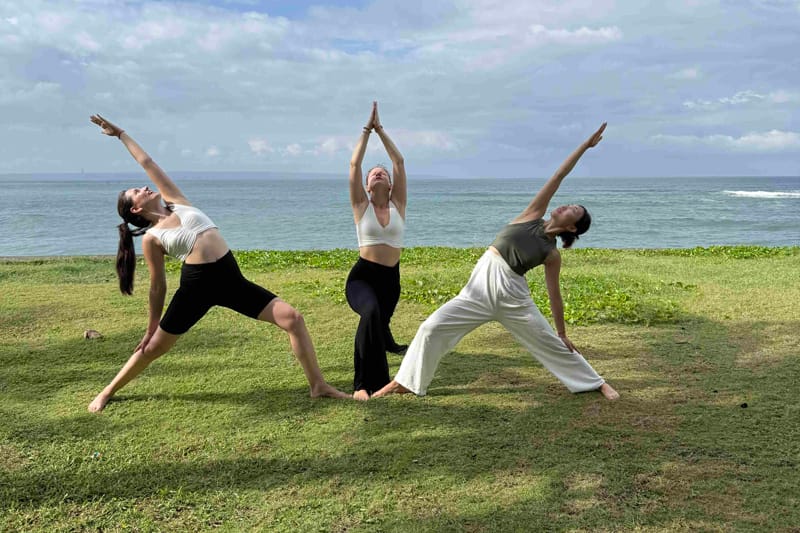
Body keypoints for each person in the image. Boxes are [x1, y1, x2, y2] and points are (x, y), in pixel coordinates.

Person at [87, 114, 349, 413]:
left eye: (141, 186)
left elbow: (148, 162)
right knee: (153, 348)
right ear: (135, 208)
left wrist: (121, 133)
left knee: (293, 318)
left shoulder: (177, 200)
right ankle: (107, 391)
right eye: (137, 192)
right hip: (195, 288)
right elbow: (158, 286)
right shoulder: (152, 239)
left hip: (230, 279)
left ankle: (318, 386)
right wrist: (151, 326)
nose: (144, 188)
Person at [373, 123, 619, 401]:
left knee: (549, 341)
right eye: (569, 204)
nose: (565, 206)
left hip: (513, 296)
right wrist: (585, 146)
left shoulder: (552, 254)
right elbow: (559, 174)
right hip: (478, 289)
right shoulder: (532, 214)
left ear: (572, 228)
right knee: (431, 328)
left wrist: (562, 332)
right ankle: (405, 382)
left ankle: (596, 382)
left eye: (572, 210)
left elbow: (554, 294)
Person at [346, 102, 408, 401]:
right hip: (362, 278)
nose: (379, 174)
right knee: (369, 314)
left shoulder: (398, 206)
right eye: (374, 174)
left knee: (377, 325)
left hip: (390, 281)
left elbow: (399, 162)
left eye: (383, 173)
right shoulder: (361, 206)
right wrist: (366, 130)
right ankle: (362, 385)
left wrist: (382, 130)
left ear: (391, 183)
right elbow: (354, 165)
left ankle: (383, 365)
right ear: (368, 187)